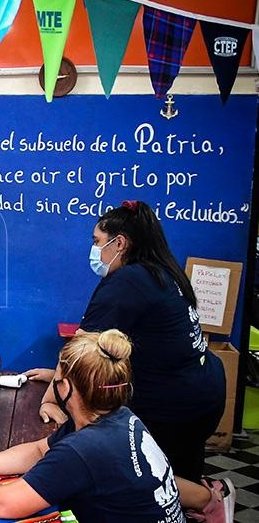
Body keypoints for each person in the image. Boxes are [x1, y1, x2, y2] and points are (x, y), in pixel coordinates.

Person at [23, 201, 233, 520]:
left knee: (136, 470)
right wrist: (56, 375)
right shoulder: (163, 272)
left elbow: (78, 347)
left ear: (119, 243)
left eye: (97, 242)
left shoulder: (127, 280)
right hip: (203, 392)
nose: (94, 251)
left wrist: (53, 397)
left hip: (173, 401)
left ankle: (209, 500)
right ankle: (206, 503)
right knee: (171, 483)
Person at [0, 330, 231, 523]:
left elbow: (6, 504)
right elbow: (39, 451)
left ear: (67, 390)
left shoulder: (83, 449)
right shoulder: (120, 418)